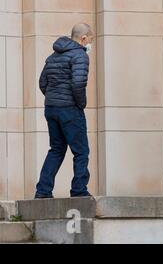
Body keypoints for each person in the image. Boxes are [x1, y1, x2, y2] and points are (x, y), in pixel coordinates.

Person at [34, 23, 94, 199]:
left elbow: (42, 83)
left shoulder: (53, 56)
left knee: (57, 149)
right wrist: (80, 104)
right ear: (83, 38)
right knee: (81, 151)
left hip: (51, 109)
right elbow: (78, 83)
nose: (90, 43)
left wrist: (54, 98)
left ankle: (43, 191)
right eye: (90, 39)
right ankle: (79, 190)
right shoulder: (80, 56)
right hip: (70, 109)